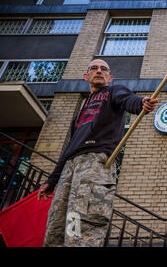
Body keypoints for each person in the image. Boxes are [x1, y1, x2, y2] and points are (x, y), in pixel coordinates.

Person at [37, 59, 158, 247]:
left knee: (79, 225)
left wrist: (140, 103)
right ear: (86, 76)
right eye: (94, 68)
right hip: (70, 168)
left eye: (104, 69)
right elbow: (69, 148)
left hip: (94, 165)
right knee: (57, 225)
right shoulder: (80, 111)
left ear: (110, 77)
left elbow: (128, 99)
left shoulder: (113, 91)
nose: (99, 71)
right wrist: (51, 181)